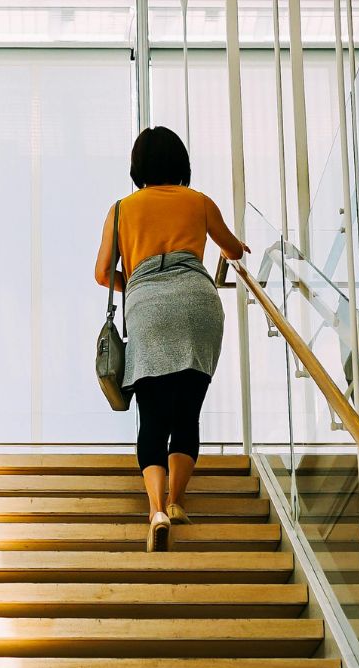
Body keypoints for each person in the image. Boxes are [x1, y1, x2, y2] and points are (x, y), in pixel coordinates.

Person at [94, 126, 249, 552]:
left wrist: (142, 282)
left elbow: (103, 272)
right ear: (181, 162)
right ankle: (178, 501)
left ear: (137, 166)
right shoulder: (198, 202)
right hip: (197, 303)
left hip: (147, 308)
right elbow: (234, 251)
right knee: (188, 412)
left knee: (153, 415)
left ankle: (156, 510)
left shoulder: (122, 209)